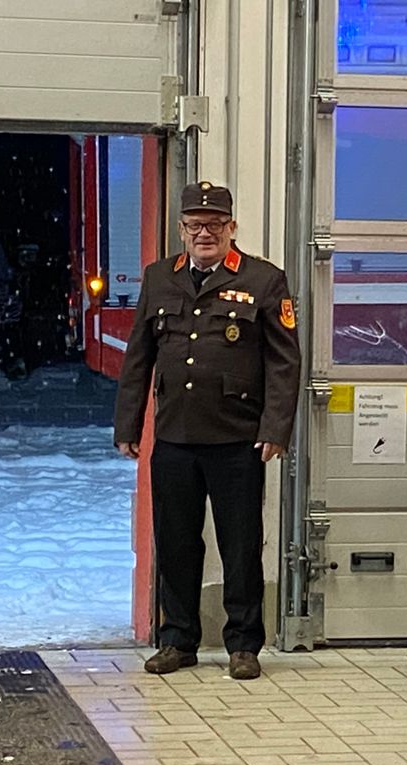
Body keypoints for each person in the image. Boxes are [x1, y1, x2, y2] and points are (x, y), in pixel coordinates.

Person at [114, 181, 301, 679]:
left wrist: (276, 428)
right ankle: (178, 640)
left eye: (214, 225)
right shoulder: (159, 278)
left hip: (237, 438)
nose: (204, 234)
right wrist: (128, 423)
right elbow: (139, 357)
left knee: (240, 544)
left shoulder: (263, 280)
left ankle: (243, 644)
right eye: (195, 226)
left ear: (232, 229)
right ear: (181, 230)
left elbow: (284, 363)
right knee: (176, 542)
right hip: (174, 436)